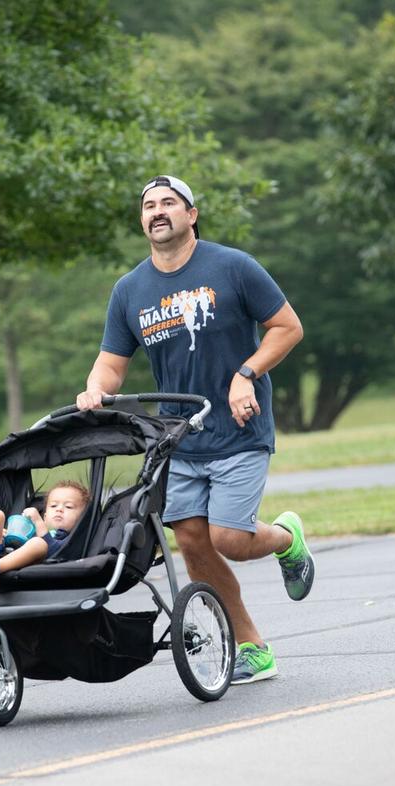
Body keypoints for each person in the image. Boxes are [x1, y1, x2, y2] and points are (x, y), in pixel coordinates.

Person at [76, 174, 314, 684]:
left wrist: (246, 373)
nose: (157, 211)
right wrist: (95, 387)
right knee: (192, 541)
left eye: (168, 203)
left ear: (192, 214)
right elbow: (111, 363)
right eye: (148, 205)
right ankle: (252, 647)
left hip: (239, 427)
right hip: (180, 437)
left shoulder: (232, 267)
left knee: (229, 537)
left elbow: (287, 327)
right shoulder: (130, 290)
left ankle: (285, 539)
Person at [0, 480, 90, 590]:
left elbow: (57, 553)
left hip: (5, 568)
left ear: (82, 519)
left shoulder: (72, 538)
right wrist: (3, 538)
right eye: (54, 506)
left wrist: (38, 523)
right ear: (45, 516)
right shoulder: (35, 530)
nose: (59, 509)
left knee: (39, 544)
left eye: (69, 507)